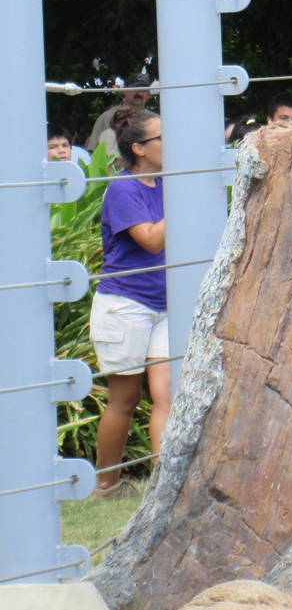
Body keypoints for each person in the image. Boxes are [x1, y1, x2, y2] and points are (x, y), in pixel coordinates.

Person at [89, 106, 172, 497]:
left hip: (165, 306)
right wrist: (186, 198)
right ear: (139, 148)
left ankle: (163, 486)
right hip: (125, 305)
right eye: (162, 138)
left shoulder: (169, 185)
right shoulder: (123, 188)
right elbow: (152, 239)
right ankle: (106, 485)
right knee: (124, 399)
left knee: (168, 394)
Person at [88, 73, 152, 160]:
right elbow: (92, 151)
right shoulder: (106, 118)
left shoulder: (155, 120)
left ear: (149, 95)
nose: (139, 93)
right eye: (135, 88)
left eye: (144, 90)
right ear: (124, 91)